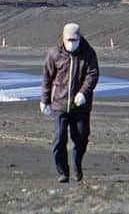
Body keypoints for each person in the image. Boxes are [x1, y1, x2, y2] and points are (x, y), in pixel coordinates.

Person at [40, 22, 99, 183]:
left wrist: (83, 93)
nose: (71, 43)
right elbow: (47, 77)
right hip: (60, 103)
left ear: (79, 38)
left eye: (74, 40)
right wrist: (45, 100)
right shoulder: (54, 53)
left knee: (81, 138)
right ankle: (63, 172)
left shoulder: (88, 53)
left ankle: (77, 164)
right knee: (59, 139)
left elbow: (92, 74)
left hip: (80, 106)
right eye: (69, 40)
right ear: (63, 38)